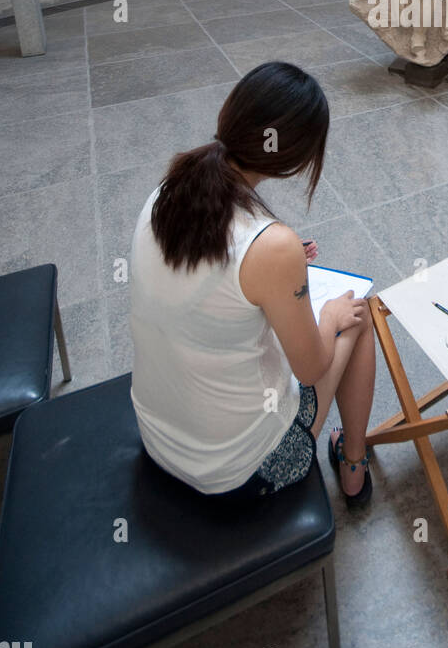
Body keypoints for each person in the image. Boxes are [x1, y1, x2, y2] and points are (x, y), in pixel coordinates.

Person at [128, 61, 376, 507]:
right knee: (359, 313)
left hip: (160, 438)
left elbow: (211, 268)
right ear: (297, 158)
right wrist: (330, 317)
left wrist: (275, 267)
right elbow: (311, 368)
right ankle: (353, 464)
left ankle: (352, 459)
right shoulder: (272, 246)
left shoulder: (170, 189)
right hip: (236, 471)